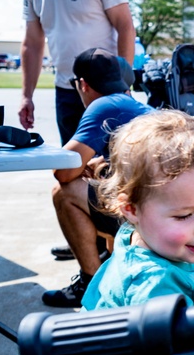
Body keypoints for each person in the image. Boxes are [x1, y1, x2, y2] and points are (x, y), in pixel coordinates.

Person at [81, 109, 194, 311]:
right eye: (184, 215)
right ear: (131, 209)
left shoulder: (138, 231)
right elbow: (165, 344)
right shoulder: (156, 288)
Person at [12, 0, 136, 146]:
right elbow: (32, 44)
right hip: (67, 92)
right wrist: (26, 96)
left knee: (114, 172)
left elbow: (125, 26)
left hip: (107, 92)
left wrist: (124, 86)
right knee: (73, 171)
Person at [42, 48, 151, 308]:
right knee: (101, 188)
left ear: (83, 84)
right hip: (163, 204)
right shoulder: (132, 103)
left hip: (147, 213)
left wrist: (87, 167)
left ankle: (90, 283)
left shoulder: (103, 105)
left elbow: (64, 171)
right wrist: (98, 165)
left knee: (64, 193)